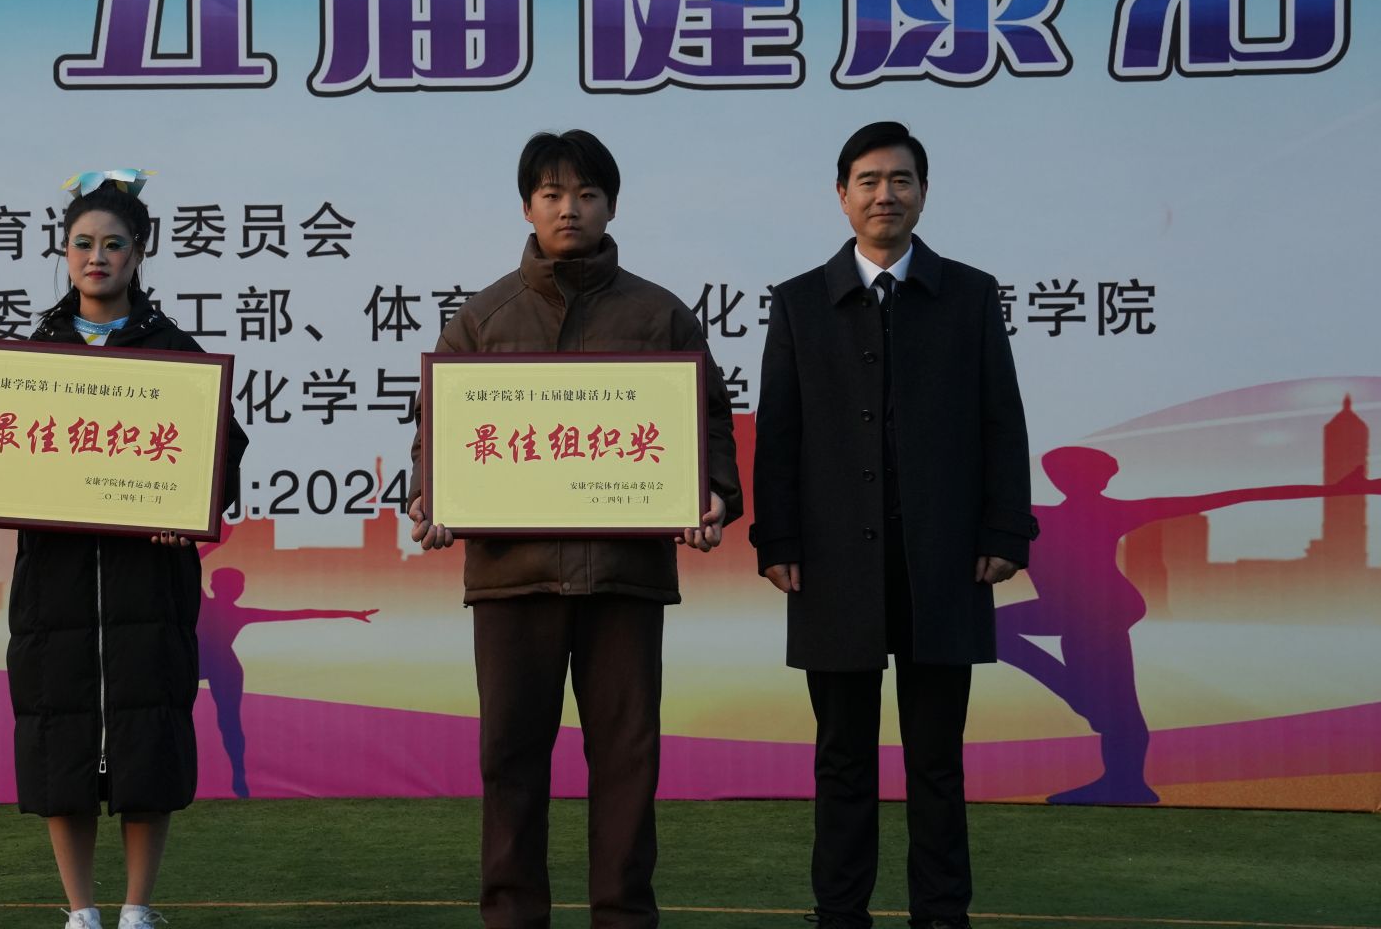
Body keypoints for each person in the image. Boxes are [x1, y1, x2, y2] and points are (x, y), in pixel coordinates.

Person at [406, 129, 740, 929]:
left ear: (611, 207)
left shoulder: (660, 315)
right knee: (510, 760)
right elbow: (436, 433)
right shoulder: (482, 319)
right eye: (552, 194)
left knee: (627, 761)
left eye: (587, 195)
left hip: (625, 576)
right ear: (527, 206)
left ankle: (623, 916)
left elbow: (711, 424)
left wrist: (714, 494)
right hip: (512, 578)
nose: (570, 209)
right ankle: (511, 916)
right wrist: (430, 496)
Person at [0, 171, 247, 929]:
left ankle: (137, 907)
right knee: (58, 739)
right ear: (63, 252)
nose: (96, 258)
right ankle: (81, 911)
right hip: (56, 587)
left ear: (141, 252)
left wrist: (190, 509)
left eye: (113, 244)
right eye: (82, 244)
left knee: (148, 739)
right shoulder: (29, 355)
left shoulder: (174, 351)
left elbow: (221, 456)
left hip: (150, 584)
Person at [751, 122, 1037, 929]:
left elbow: (1001, 421)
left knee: (937, 759)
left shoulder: (969, 295)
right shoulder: (800, 302)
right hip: (834, 563)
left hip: (941, 561)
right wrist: (778, 541)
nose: (886, 194)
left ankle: (941, 913)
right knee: (842, 756)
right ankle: (840, 912)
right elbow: (779, 433)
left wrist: (1004, 533)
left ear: (923, 193)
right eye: (870, 180)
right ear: (842, 195)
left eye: (902, 180)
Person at [1003, 439, 1381, 805]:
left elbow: (1235, 496)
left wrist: (1339, 490)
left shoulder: (1096, 513)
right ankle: (1111, 754)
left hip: (1100, 612)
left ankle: (1120, 771)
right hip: (1070, 611)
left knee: (1110, 698)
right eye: (1060, 473)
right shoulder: (1037, 516)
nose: (1064, 480)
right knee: (1014, 641)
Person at [195, 537, 376, 798]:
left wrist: (351, 613)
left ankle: (238, 775)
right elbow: (194, 561)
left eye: (237, 586)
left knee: (229, 721)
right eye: (231, 585)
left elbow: (303, 612)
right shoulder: (206, 603)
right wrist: (217, 543)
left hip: (223, 665)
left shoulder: (236, 612)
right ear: (215, 586)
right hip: (200, 662)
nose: (235, 590)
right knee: (212, 718)